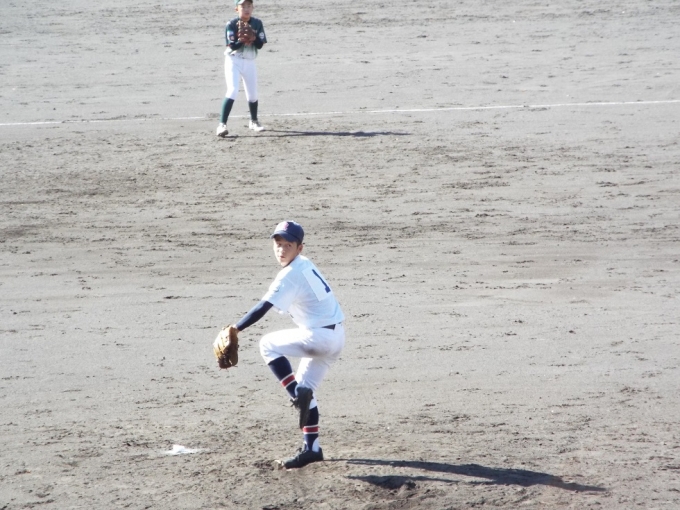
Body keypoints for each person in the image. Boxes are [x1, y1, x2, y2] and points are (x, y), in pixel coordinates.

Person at [224, 221, 346, 469]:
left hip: (318, 338)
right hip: (336, 338)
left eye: (288, 245)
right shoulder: (305, 264)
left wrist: (236, 328)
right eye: (278, 244)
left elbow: (264, 306)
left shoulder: (290, 274)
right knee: (307, 391)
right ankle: (312, 449)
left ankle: (297, 395)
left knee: (267, 344)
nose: (281, 250)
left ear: (299, 248)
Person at [216, 0, 267, 138]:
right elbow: (232, 45)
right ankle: (222, 125)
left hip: (249, 61)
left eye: (249, 6)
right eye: (243, 6)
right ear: (236, 9)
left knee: (253, 95)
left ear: (253, 8)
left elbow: (260, 45)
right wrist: (242, 40)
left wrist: (253, 37)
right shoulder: (231, 24)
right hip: (233, 60)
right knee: (232, 90)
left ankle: (254, 121)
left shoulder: (257, 23)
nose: (246, 9)